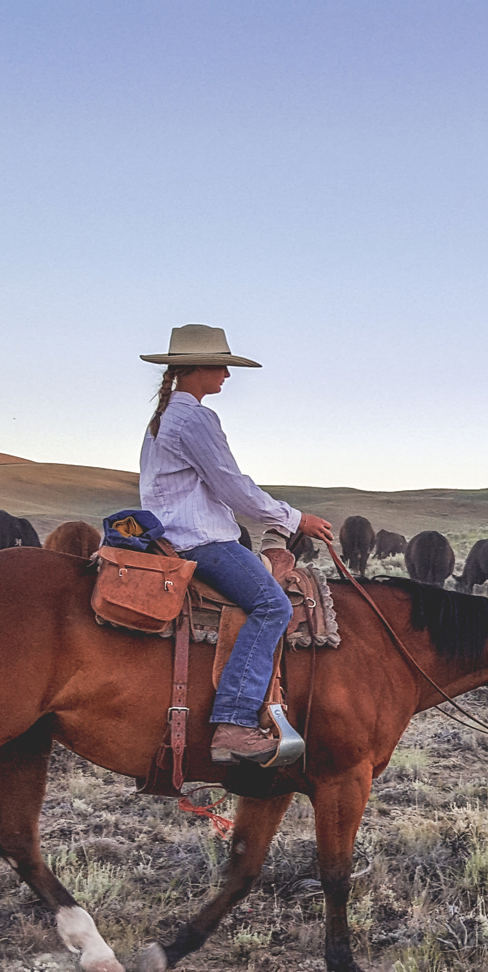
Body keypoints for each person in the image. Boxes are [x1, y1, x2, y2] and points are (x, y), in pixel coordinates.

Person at [139, 324, 334, 765]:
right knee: (273, 606)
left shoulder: (165, 417)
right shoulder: (194, 418)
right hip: (200, 541)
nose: (227, 374)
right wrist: (295, 517)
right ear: (198, 368)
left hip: (174, 536)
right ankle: (234, 722)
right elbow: (233, 487)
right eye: (221, 365)